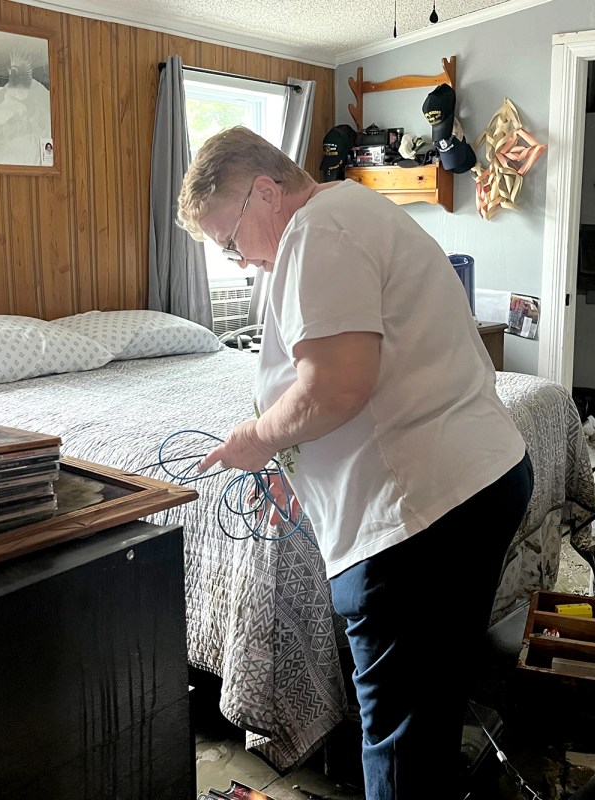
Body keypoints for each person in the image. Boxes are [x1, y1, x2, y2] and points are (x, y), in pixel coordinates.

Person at [178, 126, 533, 800]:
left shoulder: (317, 231)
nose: (238, 261)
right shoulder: (353, 212)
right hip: (472, 482)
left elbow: (337, 384)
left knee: (398, 737)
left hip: (421, 515)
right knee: (427, 715)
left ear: (263, 190)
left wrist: (256, 438)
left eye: (230, 242)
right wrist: (293, 470)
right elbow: (371, 378)